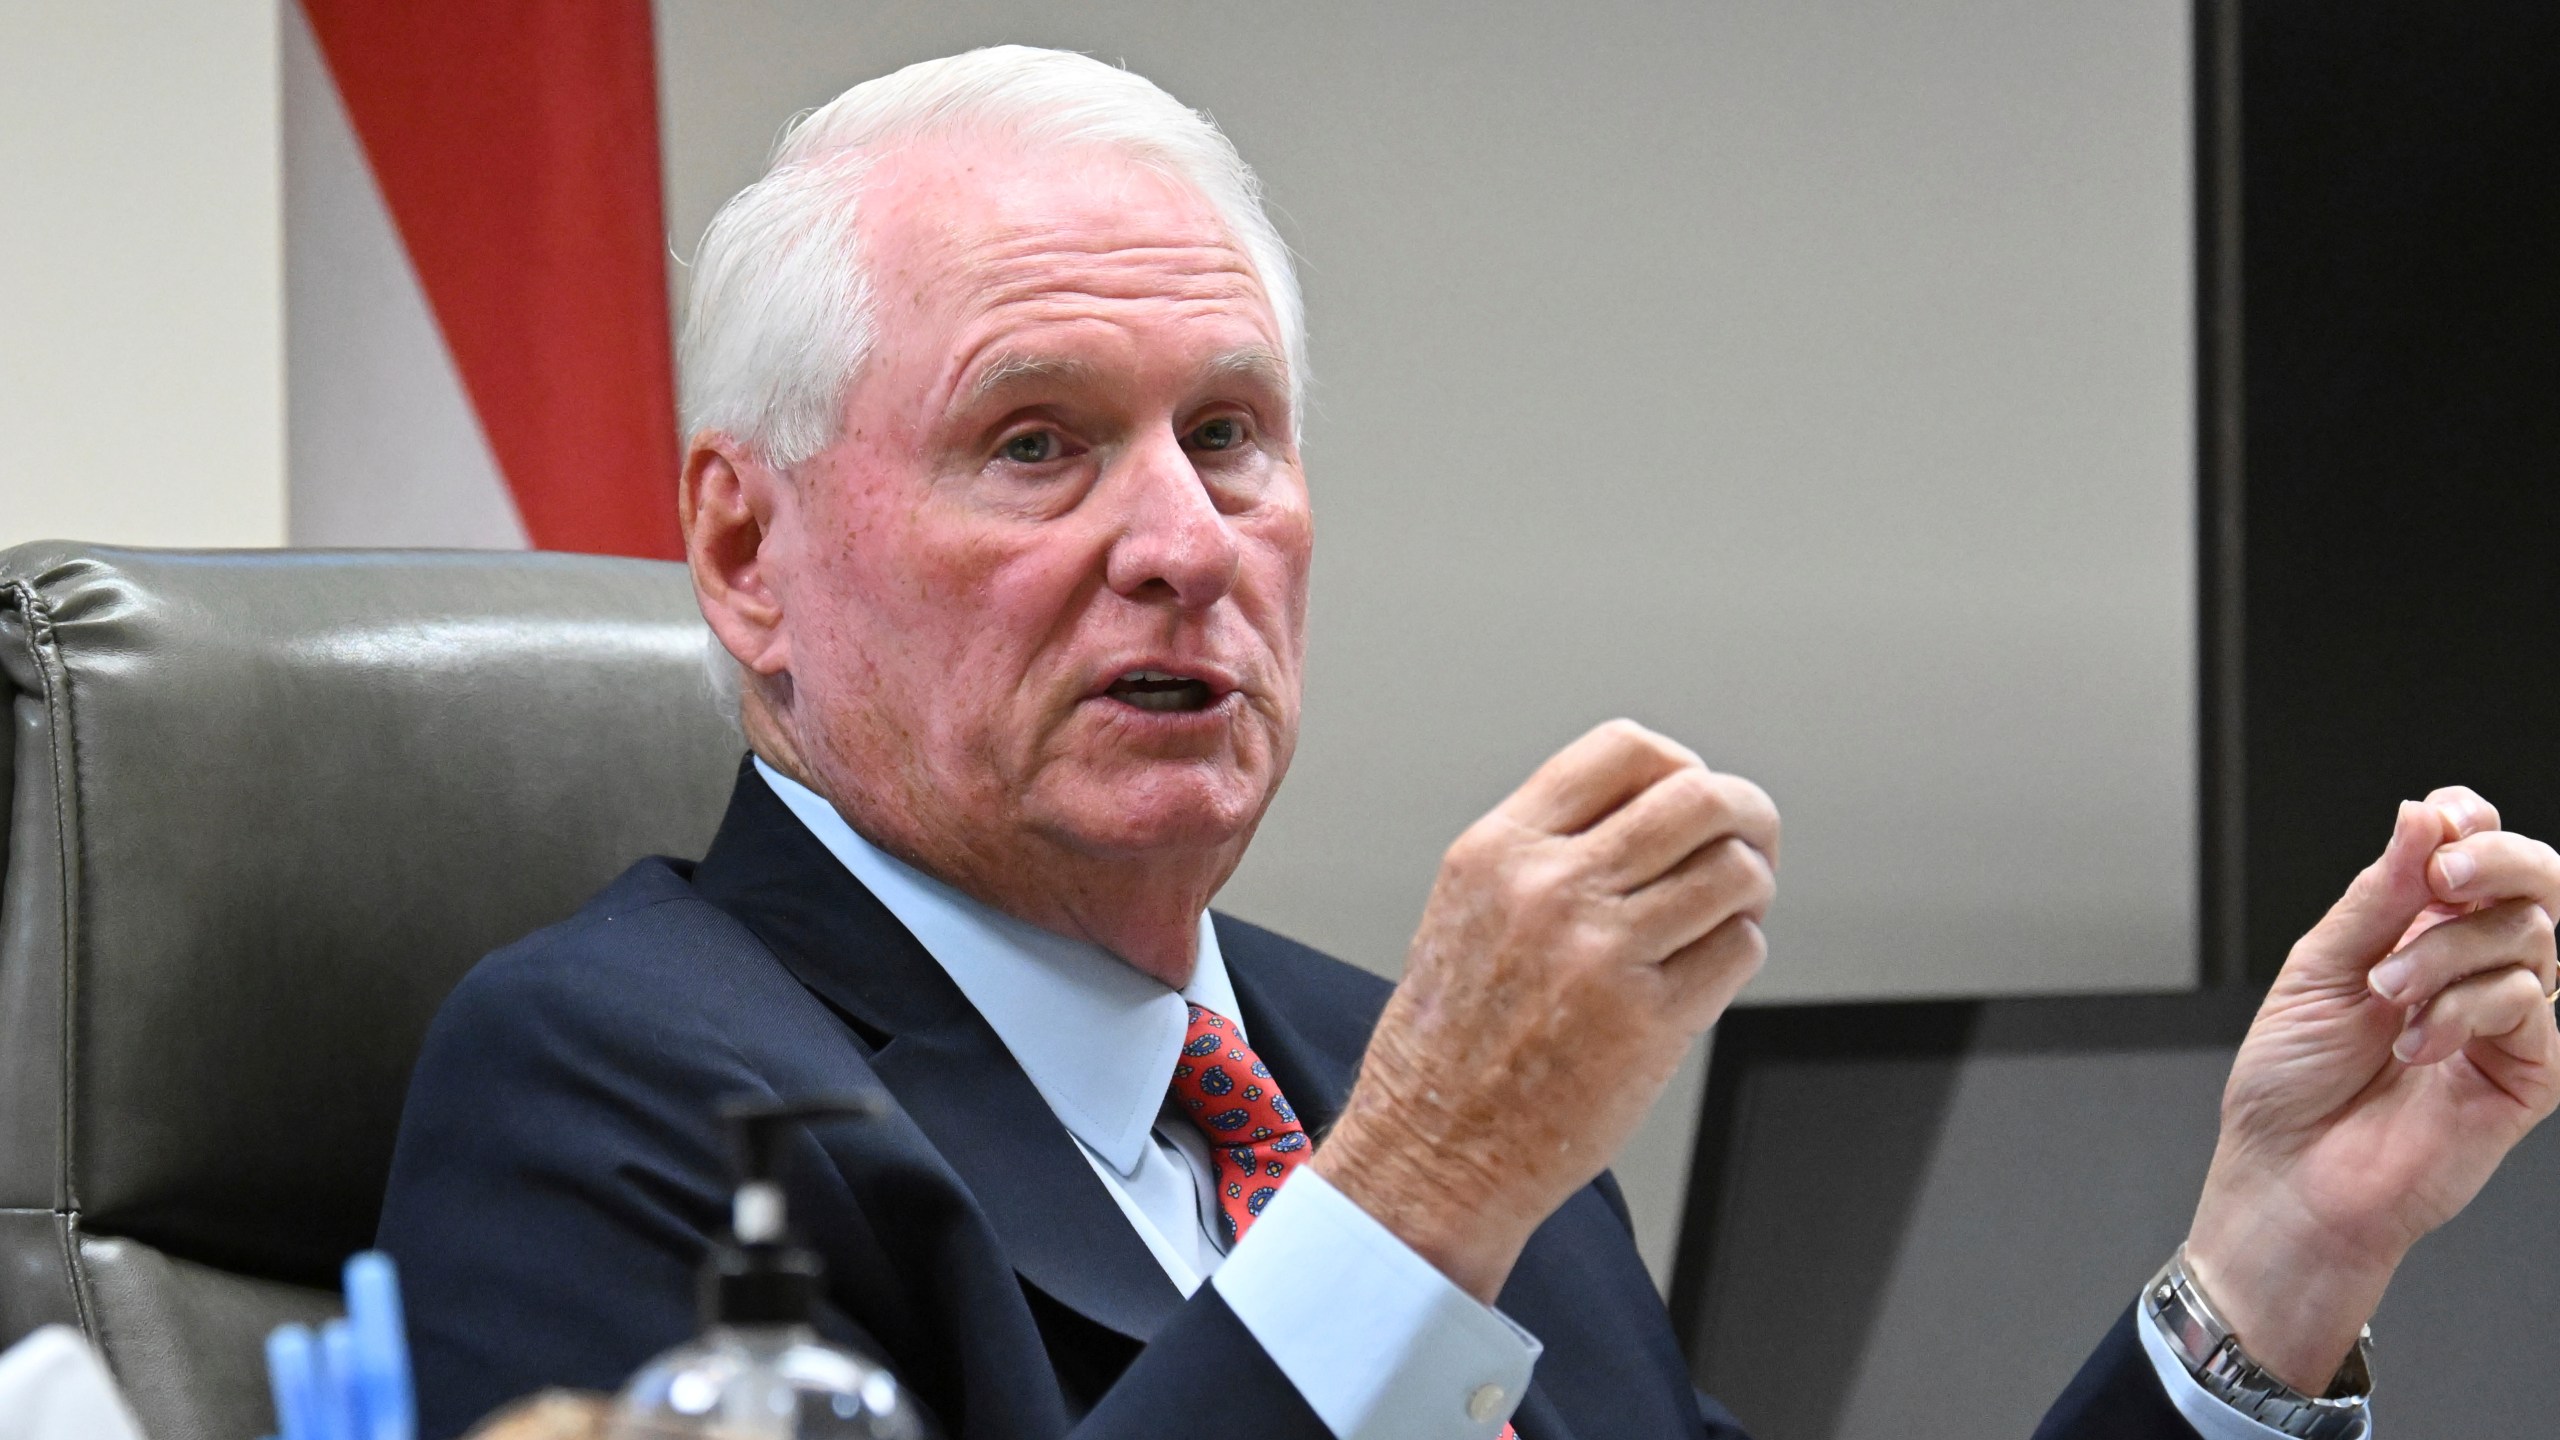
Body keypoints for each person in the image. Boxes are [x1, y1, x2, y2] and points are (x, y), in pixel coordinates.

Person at [376, 46, 2560, 1440]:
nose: (1180, 543)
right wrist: (1415, 1192)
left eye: (1228, 435)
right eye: (1035, 443)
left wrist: (2269, 1275)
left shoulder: (1373, 1059)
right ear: (745, 552)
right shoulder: (611, 1077)